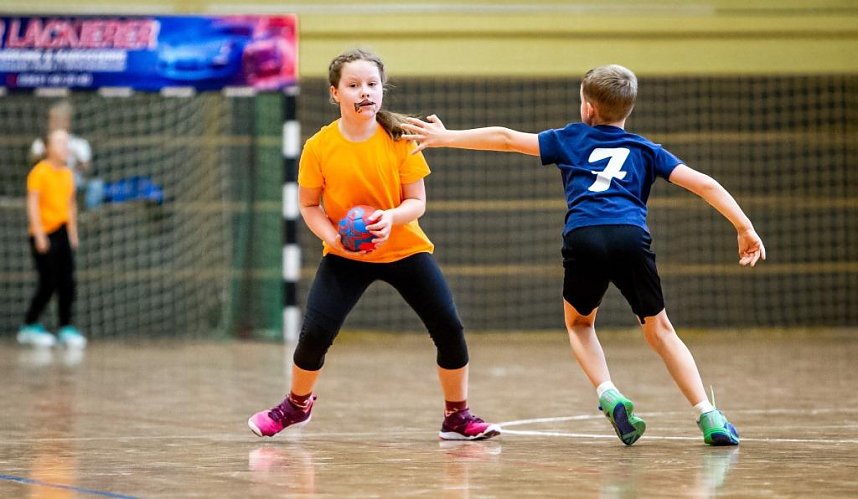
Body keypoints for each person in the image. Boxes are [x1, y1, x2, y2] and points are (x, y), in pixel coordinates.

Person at [401, 64, 765, 446]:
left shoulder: (570, 139)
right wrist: (744, 228)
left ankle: (609, 393)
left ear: (588, 108)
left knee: (580, 325)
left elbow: (506, 138)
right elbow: (705, 184)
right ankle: (708, 416)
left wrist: (445, 137)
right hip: (630, 237)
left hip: (584, 237)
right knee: (660, 330)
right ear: (629, 108)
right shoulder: (646, 150)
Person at [247, 49, 500, 441]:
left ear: (382, 90)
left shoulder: (399, 140)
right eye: (353, 85)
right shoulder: (318, 147)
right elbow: (309, 206)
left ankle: (457, 416)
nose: (364, 92)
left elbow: (417, 202)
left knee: (449, 327)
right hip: (346, 255)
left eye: (372, 84)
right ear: (335, 93)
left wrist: (389, 218)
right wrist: (334, 237)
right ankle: (296, 406)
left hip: (404, 249)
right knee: (315, 333)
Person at [18, 129, 87, 349]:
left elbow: (70, 204)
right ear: (47, 147)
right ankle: (29, 325)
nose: (65, 147)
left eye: (67, 142)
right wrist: (38, 233)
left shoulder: (67, 174)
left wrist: (73, 232)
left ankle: (66, 326)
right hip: (44, 233)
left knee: (68, 281)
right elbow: (32, 204)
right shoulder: (39, 172)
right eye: (59, 143)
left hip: (63, 231)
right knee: (48, 281)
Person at [30, 101, 92, 193]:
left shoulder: (79, 143)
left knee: (95, 186)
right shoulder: (41, 143)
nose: (54, 122)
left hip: (73, 180)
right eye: (52, 119)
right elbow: (33, 164)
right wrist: (49, 154)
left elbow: (87, 166)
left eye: (58, 119)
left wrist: (70, 168)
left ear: (67, 121)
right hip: (47, 180)